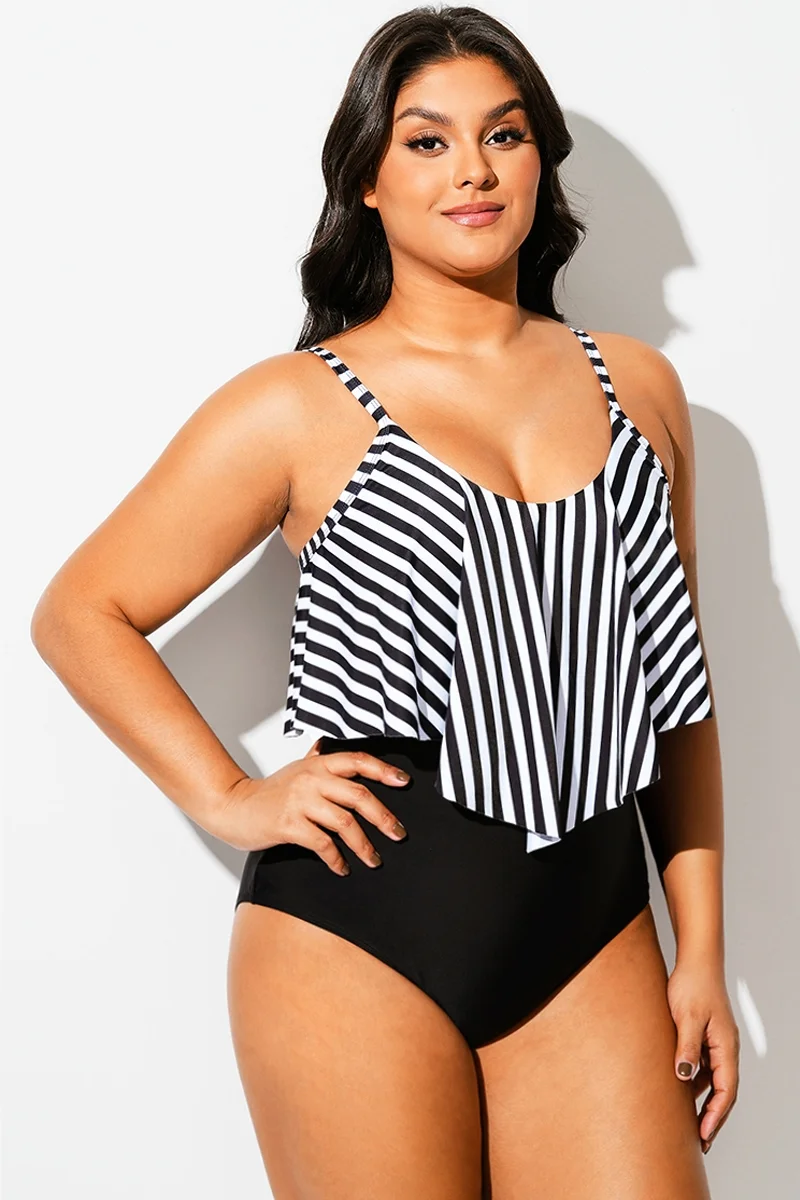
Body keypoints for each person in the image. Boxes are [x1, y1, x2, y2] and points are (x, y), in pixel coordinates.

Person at [31, 5, 740, 1197]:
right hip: (357, 933)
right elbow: (80, 611)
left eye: (503, 135)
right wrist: (230, 795)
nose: (472, 170)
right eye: (425, 141)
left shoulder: (640, 390)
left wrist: (702, 949)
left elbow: (679, 693)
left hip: (593, 929)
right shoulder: (297, 405)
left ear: (539, 160)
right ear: (366, 177)